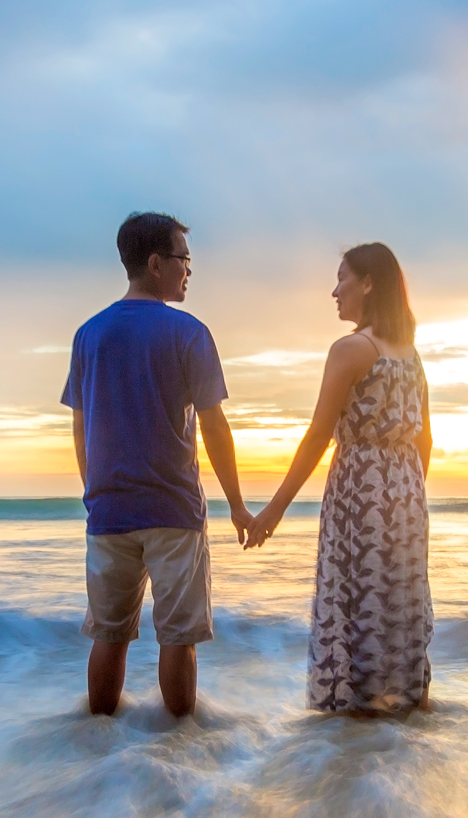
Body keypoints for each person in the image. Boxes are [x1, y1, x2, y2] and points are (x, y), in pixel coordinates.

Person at [62, 212, 252, 718]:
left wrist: (95, 492)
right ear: (154, 264)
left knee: (109, 634)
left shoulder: (89, 335)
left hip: (108, 513)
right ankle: (180, 751)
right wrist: (237, 506)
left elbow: (81, 428)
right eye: (183, 260)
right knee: (178, 637)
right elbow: (214, 427)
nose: (189, 271)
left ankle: (97, 744)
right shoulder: (188, 333)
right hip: (173, 510)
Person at [244, 242, 433, 713]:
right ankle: (402, 707)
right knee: (395, 606)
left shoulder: (351, 350)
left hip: (360, 491)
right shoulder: (410, 354)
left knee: (353, 603)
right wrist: (407, 497)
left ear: (368, 283)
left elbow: (317, 437)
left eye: (342, 278)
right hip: (408, 496)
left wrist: (272, 511)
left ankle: (352, 715)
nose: (335, 291)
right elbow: (425, 440)